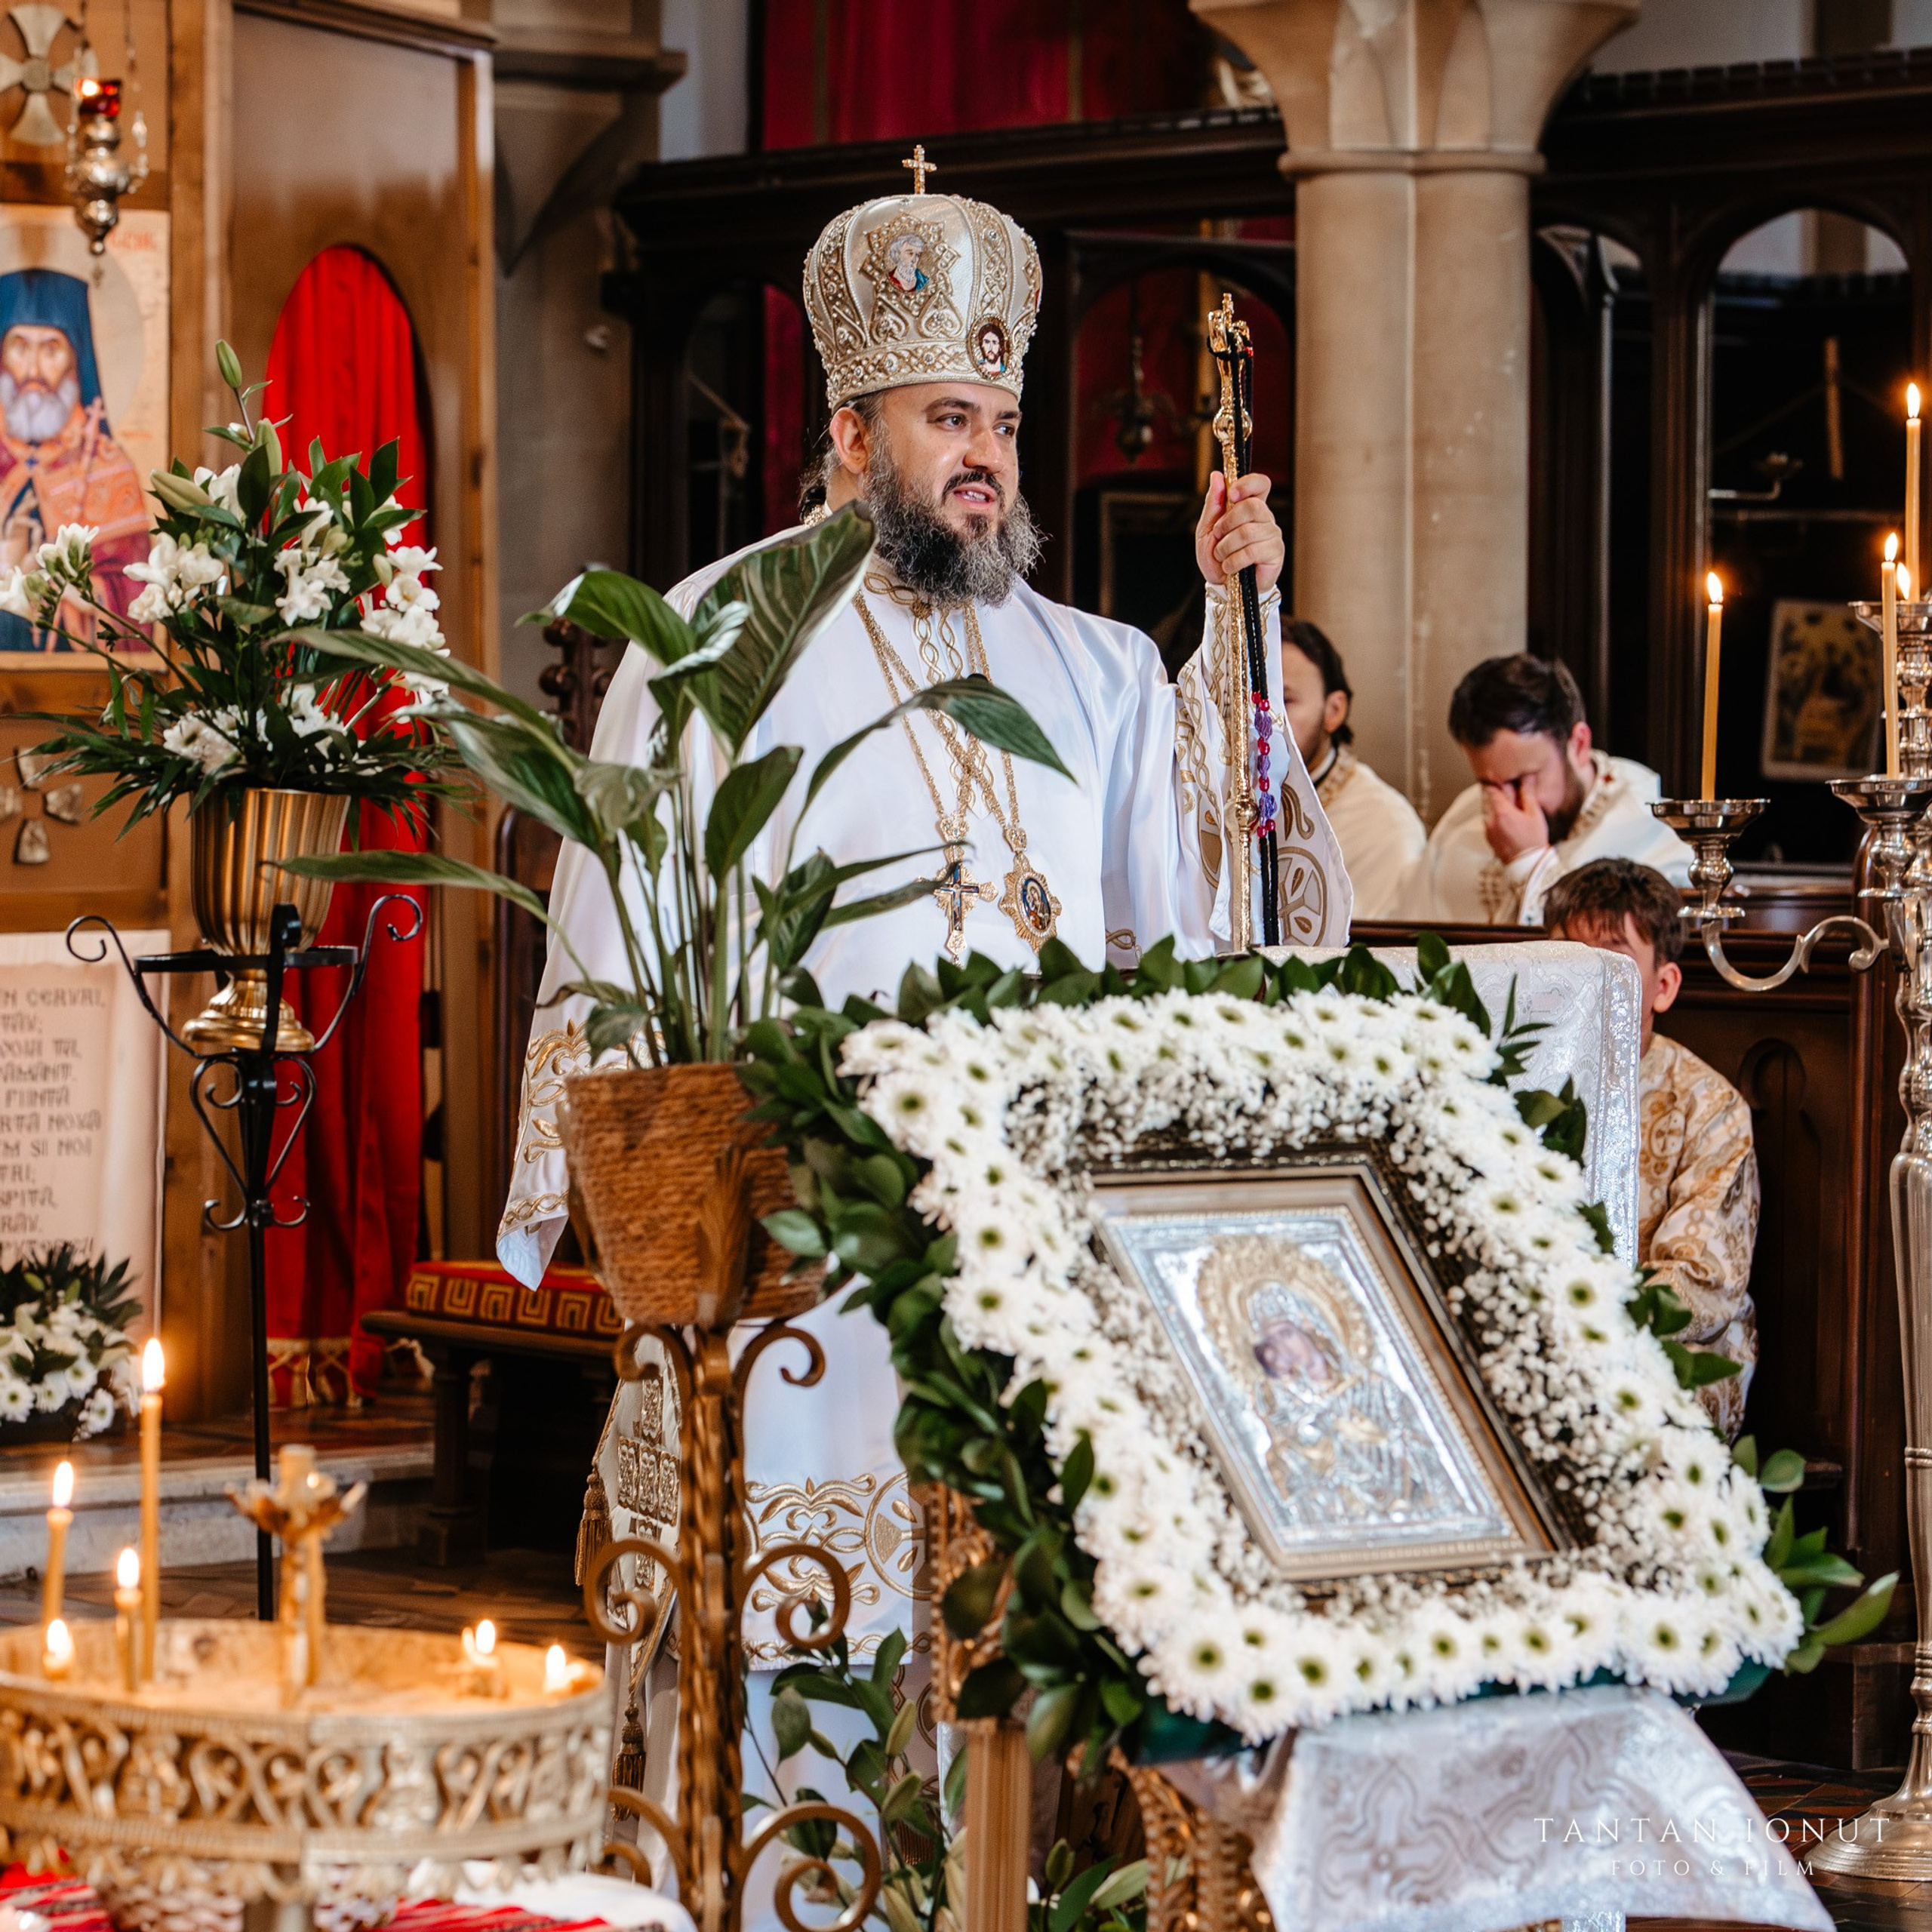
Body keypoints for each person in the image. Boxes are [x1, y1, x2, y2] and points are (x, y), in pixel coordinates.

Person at [497, 155, 1352, 1920]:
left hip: (1016, 1261)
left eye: (999, 418)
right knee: (797, 1615)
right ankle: (774, 1888)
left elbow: (1174, 933)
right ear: (853, 429)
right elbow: (617, 927)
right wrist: (588, 1184)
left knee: (998, 1636)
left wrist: (1234, 648)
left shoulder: (1102, 665)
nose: (982, 453)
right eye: (944, 416)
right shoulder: (717, 640)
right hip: (793, 1255)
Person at [1544, 858, 1758, 1438]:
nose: (1586, 980)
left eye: (1610, 959)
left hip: (1669, 1353)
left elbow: (1702, 1279)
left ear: (1662, 986)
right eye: (1568, 957)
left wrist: (1588, 1323)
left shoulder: (1707, 1106)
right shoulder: (1524, 1078)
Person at [1402, 654, 1693, 924]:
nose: (1504, 810)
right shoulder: (1462, 820)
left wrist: (1528, 861)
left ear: (1578, 745)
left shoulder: (1654, 831)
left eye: (1522, 781)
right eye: (1488, 785)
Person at [0, 269, 146, 652]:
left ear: (75, 360)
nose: (32, 371)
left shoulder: (106, 466)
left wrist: (85, 594)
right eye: (19, 347)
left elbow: (142, 599)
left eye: (51, 348)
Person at [1278, 617, 1423, 921]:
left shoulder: (1383, 825)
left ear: (1334, 711)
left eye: (1284, 701)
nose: (1260, 720)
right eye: (1248, 702)